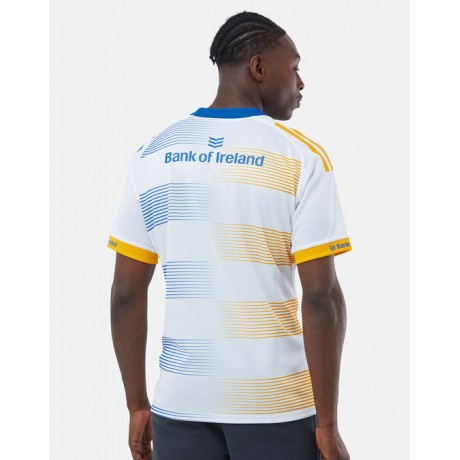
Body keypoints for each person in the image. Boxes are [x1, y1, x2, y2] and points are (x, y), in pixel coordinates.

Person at [107, 11, 352, 460]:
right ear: (258, 67)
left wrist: (137, 406)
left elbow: (126, 293)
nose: (301, 83)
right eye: (294, 68)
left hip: (179, 405)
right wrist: (328, 425)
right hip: (275, 408)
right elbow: (321, 299)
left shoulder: (153, 155)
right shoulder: (300, 157)